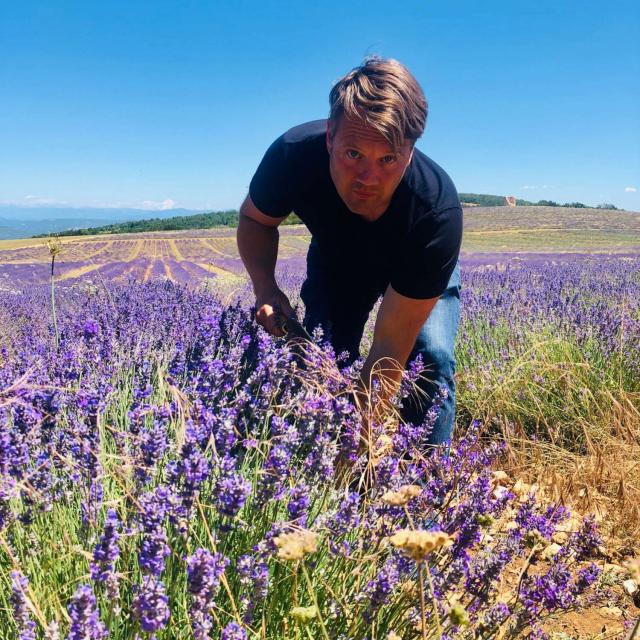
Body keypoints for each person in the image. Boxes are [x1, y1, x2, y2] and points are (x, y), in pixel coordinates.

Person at [236, 56, 462, 446]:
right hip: (338, 261)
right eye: (353, 154)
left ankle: (426, 488)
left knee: (430, 361)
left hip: (413, 264)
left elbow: (390, 346)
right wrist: (265, 288)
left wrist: (357, 438)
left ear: (410, 152)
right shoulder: (294, 157)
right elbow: (256, 219)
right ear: (329, 138)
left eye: (388, 158)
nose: (368, 179)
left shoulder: (435, 211)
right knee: (324, 355)